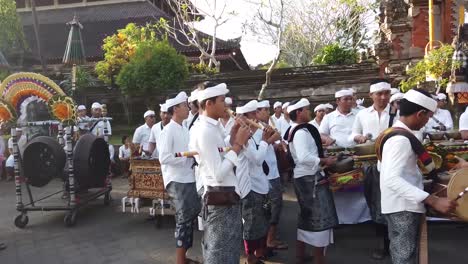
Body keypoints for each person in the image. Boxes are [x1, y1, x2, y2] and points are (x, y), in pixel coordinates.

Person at [378, 89, 458, 264]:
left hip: (402, 204)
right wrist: (432, 200)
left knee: (407, 256)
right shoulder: (400, 140)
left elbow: (385, 169)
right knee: (404, 258)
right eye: (428, 117)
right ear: (420, 114)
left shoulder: (396, 133)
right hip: (403, 207)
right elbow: (391, 179)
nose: (427, 121)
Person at [190, 82, 250, 264]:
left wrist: (232, 137)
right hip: (220, 198)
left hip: (227, 197)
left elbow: (220, 153)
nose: (226, 105)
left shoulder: (213, 127)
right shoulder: (205, 131)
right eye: (222, 101)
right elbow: (218, 174)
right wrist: (238, 145)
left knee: (228, 250)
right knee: (219, 253)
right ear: (209, 103)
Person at [287, 98, 338, 264]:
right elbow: (304, 157)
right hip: (309, 179)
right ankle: (318, 260)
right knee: (319, 220)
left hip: (306, 177)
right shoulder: (300, 132)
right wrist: (324, 161)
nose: (309, 112)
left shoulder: (299, 130)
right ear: (299, 112)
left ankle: (301, 256)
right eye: (307, 109)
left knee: (307, 217)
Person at [350, 79, 394, 260]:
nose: (383, 97)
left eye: (386, 93)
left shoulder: (396, 113)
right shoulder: (362, 115)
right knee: (375, 202)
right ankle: (382, 243)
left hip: (393, 164)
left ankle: (394, 242)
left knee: (394, 202)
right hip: (371, 164)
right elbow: (352, 134)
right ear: (371, 96)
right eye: (379, 94)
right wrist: (358, 137)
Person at [159, 92, 201, 264]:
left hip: (188, 177)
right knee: (184, 218)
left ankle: (184, 256)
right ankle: (180, 260)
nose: (188, 108)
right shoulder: (168, 130)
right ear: (175, 109)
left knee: (190, 216)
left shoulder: (184, 128)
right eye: (185, 106)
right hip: (176, 179)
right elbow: (164, 158)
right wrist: (187, 156)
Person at [320, 89, 371, 225]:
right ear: (337, 101)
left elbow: (366, 130)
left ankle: (363, 218)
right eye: (346, 99)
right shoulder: (329, 117)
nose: (350, 101)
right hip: (338, 158)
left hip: (357, 155)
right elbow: (321, 134)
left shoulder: (360, 114)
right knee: (340, 187)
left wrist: (363, 137)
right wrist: (327, 138)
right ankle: (340, 219)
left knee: (359, 186)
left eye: (351, 98)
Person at [256, 100, 288, 252]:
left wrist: (275, 140)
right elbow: (258, 149)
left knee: (275, 205)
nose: (268, 113)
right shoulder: (254, 129)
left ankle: (268, 239)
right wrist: (271, 139)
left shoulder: (264, 126)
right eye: (264, 110)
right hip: (265, 175)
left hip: (273, 172)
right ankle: (268, 240)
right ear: (256, 112)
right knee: (271, 206)